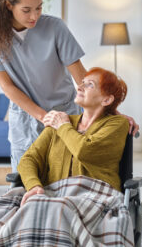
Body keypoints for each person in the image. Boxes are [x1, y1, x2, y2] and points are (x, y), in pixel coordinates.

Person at [0, 0, 139, 173]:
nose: (34, 16)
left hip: (66, 117)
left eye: (39, 7)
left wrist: (112, 113)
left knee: (65, 179)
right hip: (25, 121)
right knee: (24, 183)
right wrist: (43, 116)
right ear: (9, 5)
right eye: (26, 10)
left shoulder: (55, 28)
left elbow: (83, 78)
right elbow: (8, 87)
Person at [18, 68, 129, 207]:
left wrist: (63, 125)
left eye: (89, 84)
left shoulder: (117, 124)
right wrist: (34, 186)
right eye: (82, 82)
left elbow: (85, 151)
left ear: (106, 99)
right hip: (55, 196)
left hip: (97, 198)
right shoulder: (59, 122)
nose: (80, 87)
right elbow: (28, 159)